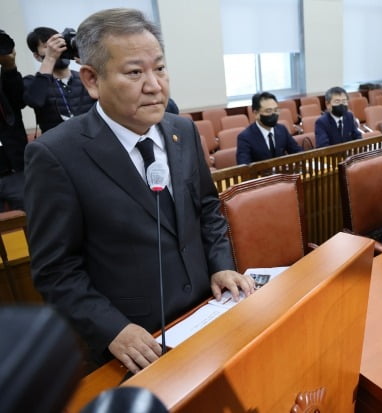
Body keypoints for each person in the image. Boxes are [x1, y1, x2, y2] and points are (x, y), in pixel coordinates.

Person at [24, 8, 255, 372]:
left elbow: (207, 209)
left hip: (205, 314)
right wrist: (113, 329)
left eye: (159, 68)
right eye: (135, 72)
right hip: (136, 344)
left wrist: (221, 266)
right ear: (91, 79)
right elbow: (56, 270)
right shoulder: (56, 155)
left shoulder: (183, 131)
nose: (155, 85)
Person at [24, 27, 96, 132]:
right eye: (48, 46)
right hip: (56, 145)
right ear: (37, 56)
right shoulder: (32, 82)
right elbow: (35, 101)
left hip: (93, 138)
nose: (57, 49)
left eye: (59, 43)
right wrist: (50, 58)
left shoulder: (87, 77)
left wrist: (92, 64)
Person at [0, 31, 27, 210]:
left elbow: (19, 101)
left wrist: (10, 68)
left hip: (14, 170)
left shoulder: (4, 80)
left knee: (32, 225)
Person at [236, 91, 301, 164]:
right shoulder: (245, 137)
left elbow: (297, 152)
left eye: (276, 110)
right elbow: (243, 166)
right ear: (256, 113)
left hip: (282, 174)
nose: (274, 114)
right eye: (268, 111)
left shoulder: (282, 129)